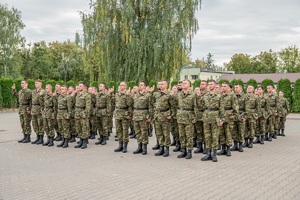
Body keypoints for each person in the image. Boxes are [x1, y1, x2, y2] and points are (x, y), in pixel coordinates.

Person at [201, 80, 225, 162]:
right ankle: (208, 153)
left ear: (215, 86)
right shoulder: (204, 95)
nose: (210, 86)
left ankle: (214, 154)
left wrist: (222, 119)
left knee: (215, 136)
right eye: (209, 84)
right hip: (206, 117)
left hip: (215, 118)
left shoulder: (219, 96)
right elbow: (201, 106)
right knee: (207, 136)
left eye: (212, 84)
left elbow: (222, 109)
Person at [152, 80, 175, 157]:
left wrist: (171, 114)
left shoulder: (169, 94)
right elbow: (153, 102)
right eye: (160, 84)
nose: (160, 85)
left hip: (165, 116)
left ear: (166, 85)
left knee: (166, 134)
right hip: (157, 115)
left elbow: (173, 106)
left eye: (162, 84)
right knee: (159, 133)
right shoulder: (156, 94)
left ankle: (167, 149)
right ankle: (161, 148)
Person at [175, 80, 197, 159]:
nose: (183, 84)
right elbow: (174, 104)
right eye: (182, 83)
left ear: (189, 85)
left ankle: (189, 151)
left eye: (185, 83)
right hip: (180, 117)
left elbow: (196, 107)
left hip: (189, 117)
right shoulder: (179, 94)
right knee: (181, 135)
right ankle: (183, 150)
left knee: (189, 136)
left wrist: (195, 117)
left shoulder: (193, 95)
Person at [132, 81, 153, 155]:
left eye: (141, 85)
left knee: (144, 132)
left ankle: (144, 148)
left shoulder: (148, 95)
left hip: (143, 115)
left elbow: (150, 107)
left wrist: (149, 116)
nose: (140, 86)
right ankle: (139, 146)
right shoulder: (135, 95)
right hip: (136, 115)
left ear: (145, 86)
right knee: (137, 132)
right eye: (139, 85)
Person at [218, 82, 238, 156]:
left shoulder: (232, 96)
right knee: (221, 133)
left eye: (225, 86)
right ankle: (223, 149)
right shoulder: (219, 95)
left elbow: (235, 107)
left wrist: (234, 115)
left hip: (229, 116)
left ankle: (228, 149)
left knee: (228, 133)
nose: (223, 87)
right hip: (221, 116)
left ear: (228, 88)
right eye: (222, 86)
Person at [114, 82, 133, 153]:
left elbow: (130, 105)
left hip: (125, 114)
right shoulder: (117, 94)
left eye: (123, 85)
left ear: (126, 87)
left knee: (125, 131)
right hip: (117, 114)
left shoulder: (128, 94)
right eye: (120, 85)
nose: (121, 86)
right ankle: (120, 145)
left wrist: (129, 115)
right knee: (119, 130)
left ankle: (125, 146)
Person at [74, 82, 91, 149]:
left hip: (83, 113)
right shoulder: (78, 95)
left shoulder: (87, 95)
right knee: (79, 128)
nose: (79, 87)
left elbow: (88, 107)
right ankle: (80, 141)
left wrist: (85, 113)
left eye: (81, 86)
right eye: (79, 86)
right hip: (77, 113)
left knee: (84, 128)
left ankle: (84, 142)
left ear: (84, 87)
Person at [231, 84, 246, 152]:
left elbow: (247, 108)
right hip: (234, 116)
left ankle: (240, 145)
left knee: (241, 131)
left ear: (241, 89)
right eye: (235, 88)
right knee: (234, 131)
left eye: (237, 87)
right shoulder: (233, 96)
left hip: (241, 115)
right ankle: (235, 145)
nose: (235, 89)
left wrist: (244, 117)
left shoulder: (244, 97)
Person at [194, 80, 208, 154]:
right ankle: (200, 147)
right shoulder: (197, 94)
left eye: (203, 84)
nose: (201, 85)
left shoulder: (208, 94)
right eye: (200, 84)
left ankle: (206, 147)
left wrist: (199, 97)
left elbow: (203, 105)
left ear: (206, 86)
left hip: (205, 115)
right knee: (199, 132)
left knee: (205, 132)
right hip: (198, 115)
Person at [31, 80, 45, 145]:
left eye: (37, 83)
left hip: (39, 109)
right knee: (34, 123)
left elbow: (44, 102)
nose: (35, 84)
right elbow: (31, 101)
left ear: (41, 84)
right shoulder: (33, 91)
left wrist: (42, 109)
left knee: (40, 124)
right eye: (35, 83)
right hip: (33, 109)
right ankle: (37, 137)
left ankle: (41, 138)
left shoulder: (43, 91)